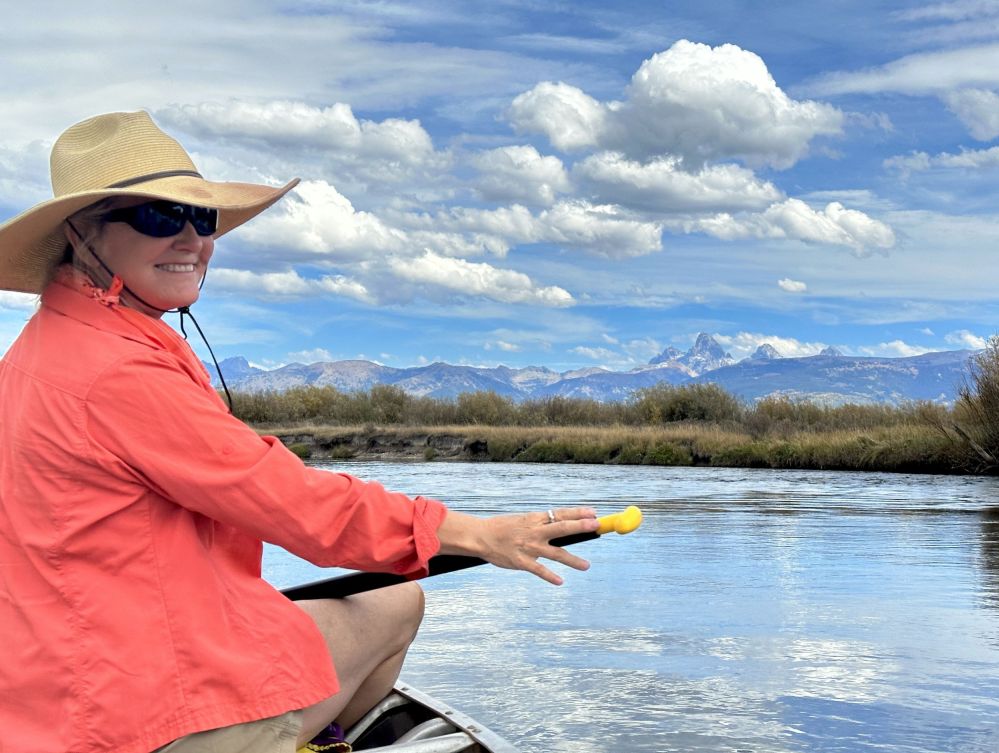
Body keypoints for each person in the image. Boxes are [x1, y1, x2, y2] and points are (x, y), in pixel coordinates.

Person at [0, 111, 599, 753]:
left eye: (202, 218)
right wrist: (477, 533)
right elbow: (298, 505)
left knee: (381, 602)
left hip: (52, 691)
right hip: (134, 715)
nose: (191, 240)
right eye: (158, 217)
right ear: (81, 232)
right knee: (399, 603)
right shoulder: (120, 371)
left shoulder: (39, 351)